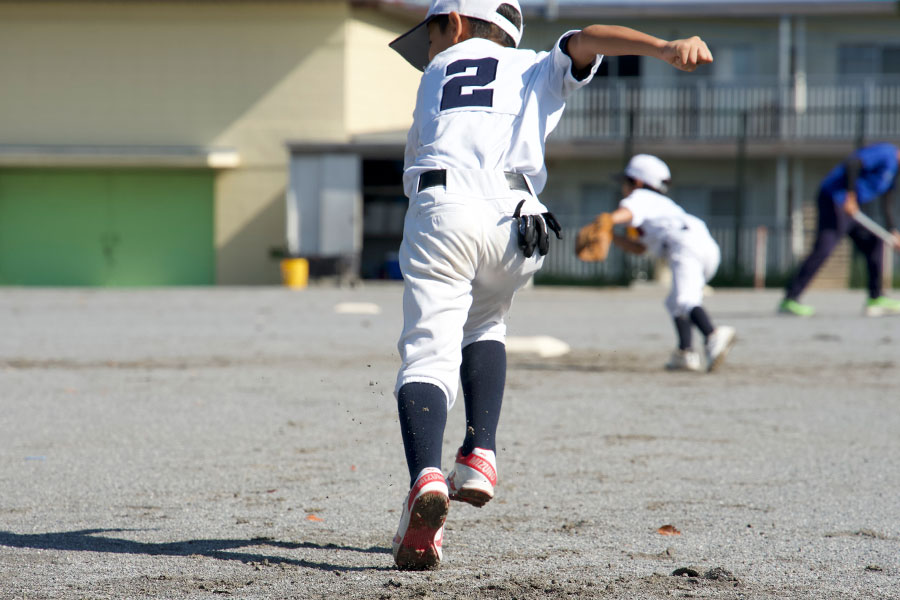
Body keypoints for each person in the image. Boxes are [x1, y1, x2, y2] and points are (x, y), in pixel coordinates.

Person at [387, 0, 712, 570]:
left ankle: (426, 478)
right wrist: (663, 48)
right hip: (519, 220)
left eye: (432, 34)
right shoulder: (533, 66)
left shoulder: (436, 76)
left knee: (427, 352)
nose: (429, 49)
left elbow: (416, 171)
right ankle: (480, 452)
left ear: (456, 23)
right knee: (486, 323)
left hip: (443, 205)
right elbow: (590, 38)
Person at [600, 154, 736, 372]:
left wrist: (607, 221)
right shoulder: (661, 205)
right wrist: (611, 235)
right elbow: (640, 248)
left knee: (684, 300)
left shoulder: (641, 196)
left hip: (683, 245)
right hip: (703, 245)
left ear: (638, 182)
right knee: (675, 302)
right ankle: (685, 353)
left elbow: (626, 212)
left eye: (626, 182)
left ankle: (713, 335)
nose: (623, 188)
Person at [780, 143, 900, 317]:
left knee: (874, 243)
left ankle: (875, 298)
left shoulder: (894, 172)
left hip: (852, 208)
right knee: (824, 248)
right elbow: (853, 163)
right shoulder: (886, 153)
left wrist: (893, 231)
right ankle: (790, 298)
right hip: (835, 200)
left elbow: (887, 202)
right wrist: (850, 197)